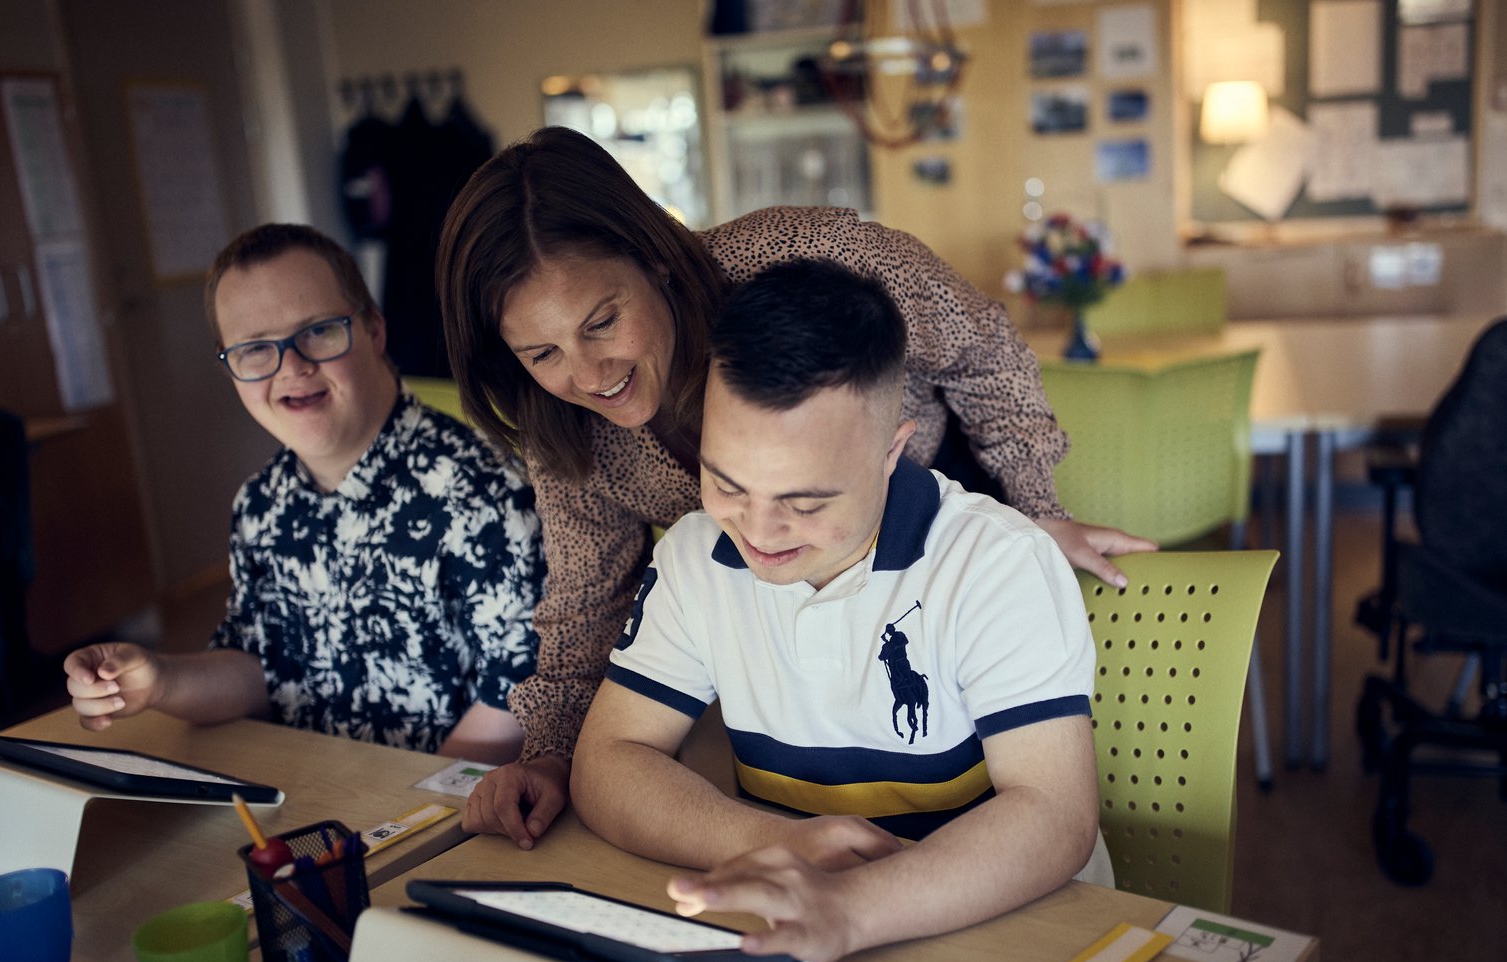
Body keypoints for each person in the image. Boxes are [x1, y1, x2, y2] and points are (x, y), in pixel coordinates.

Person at [437, 126, 1152, 845]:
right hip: (775, 607)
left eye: (602, 322)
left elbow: (984, 349)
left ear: (653, 258)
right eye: (542, 352)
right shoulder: (589, 451)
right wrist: (554, 754)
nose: (588, 376)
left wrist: (1034, 508)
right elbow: (587, 601)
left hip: (926, 543)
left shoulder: (809, 260)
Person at [569, 259, 1110, 962]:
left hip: (1005, 927)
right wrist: (781, 846)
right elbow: (607, 762)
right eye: (726, 483)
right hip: (818, 935)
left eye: (806, 502)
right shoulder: (698, 556)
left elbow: (1054, 815)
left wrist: (851, 908)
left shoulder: (996, 562)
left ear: (893, 451)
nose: (758, 532)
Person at [64, 224, 556, 783]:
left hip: (443, 811)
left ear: (373, 330)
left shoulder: (483, 489)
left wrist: (400, 805)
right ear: (231, 367)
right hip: (310, 796)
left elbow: (521, 690)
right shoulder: (261, 504)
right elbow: (261, 667)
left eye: (318, 332)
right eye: (254, 349)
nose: (292, 366)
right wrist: (158, 681)